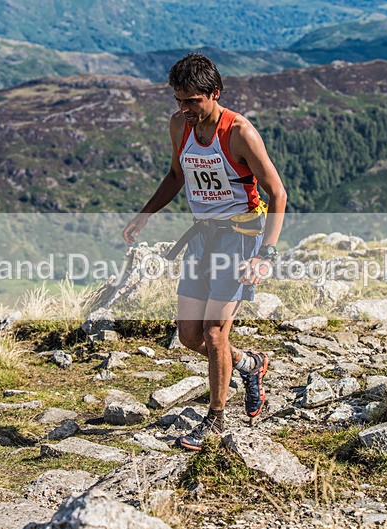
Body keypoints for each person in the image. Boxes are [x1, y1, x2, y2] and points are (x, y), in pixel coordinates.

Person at [122, 53, 287, 451]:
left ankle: (214, 420)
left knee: (214, 333)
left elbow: (277, 193)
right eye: (178, 100)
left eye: (193, 100)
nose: (184, 109)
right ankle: (250, 365)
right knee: (189, 335)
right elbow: (177, 175)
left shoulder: (240, 133)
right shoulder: (180, 125)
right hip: (202, 236)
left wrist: (264, 255)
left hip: (240, 237)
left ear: (215, 94)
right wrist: (144, 216)